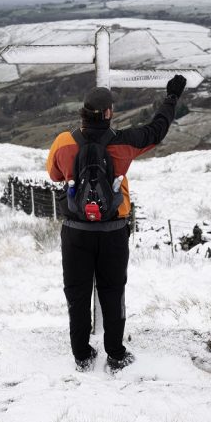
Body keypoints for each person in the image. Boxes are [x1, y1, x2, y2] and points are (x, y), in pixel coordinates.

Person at [46, 74, 186, 372]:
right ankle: (116, 354)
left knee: (77, 293)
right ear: (108, 112)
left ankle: (82, 355)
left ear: (84, 112)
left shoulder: (63, 142)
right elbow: (157, 130)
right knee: (113, 292)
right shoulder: (124, 143)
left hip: (75, 232)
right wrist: (171, 97)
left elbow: (54, 175)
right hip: (113, 231)